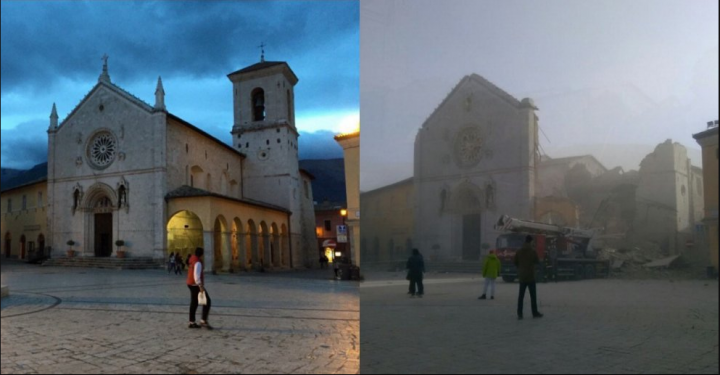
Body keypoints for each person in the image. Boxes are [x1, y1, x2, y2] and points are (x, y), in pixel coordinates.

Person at [514, 235, 543, 320]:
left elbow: (515, 262)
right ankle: (535, 313)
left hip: (522, 276)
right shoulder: (532, 251)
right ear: (531, 242)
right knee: (533, 296)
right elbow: (537, 261)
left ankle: (520, 313)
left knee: (521, 296)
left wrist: (521, 268)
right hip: (530, 276)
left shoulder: (519, 251)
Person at [187, 247, 212, 329]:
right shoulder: (198, 262)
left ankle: (192, 322)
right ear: (202, 254)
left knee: (194, 303)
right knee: (207, 301)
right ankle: (203, 320)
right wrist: (200, 286)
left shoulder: (192, 259)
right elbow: (196, 275)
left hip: (190, 283)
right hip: (195, 285)